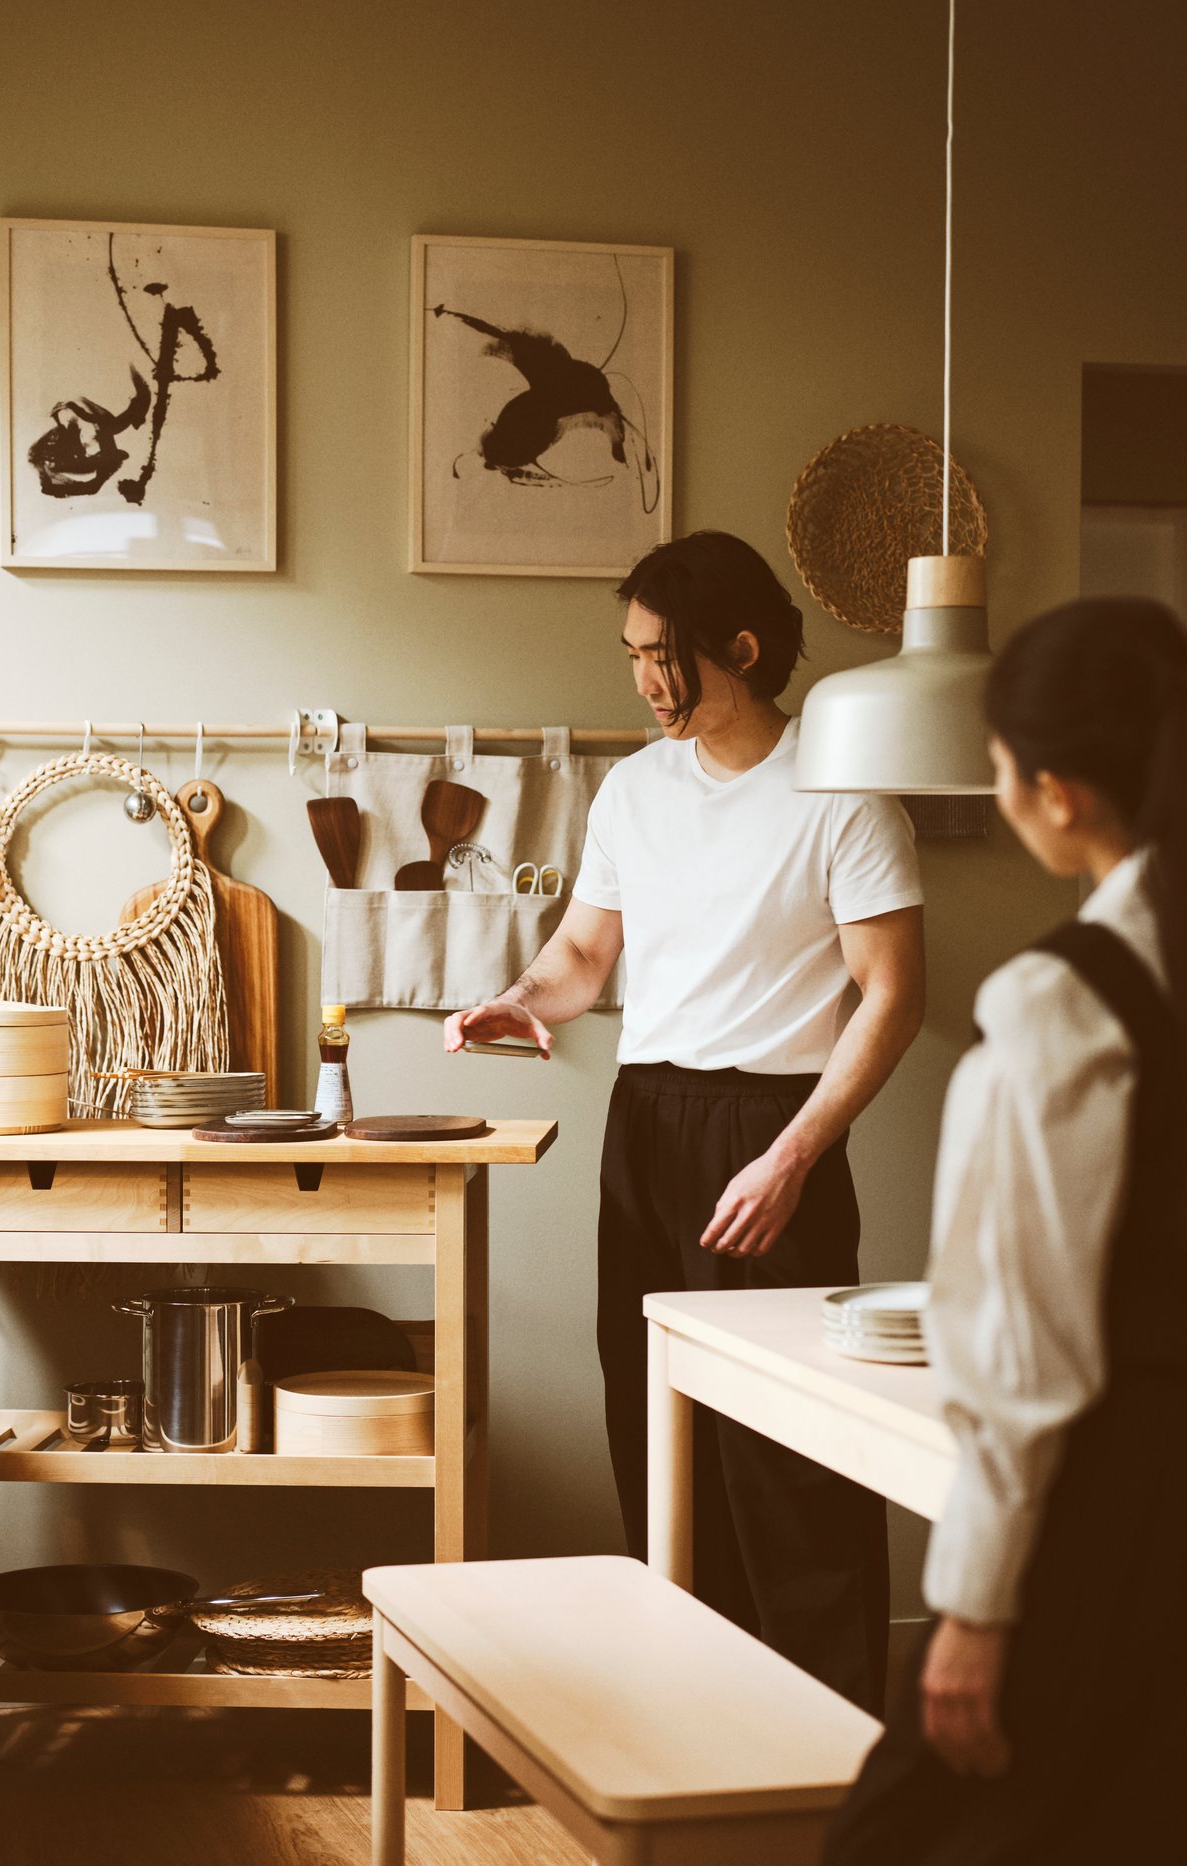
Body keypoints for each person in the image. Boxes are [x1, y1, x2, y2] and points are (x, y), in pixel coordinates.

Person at [445, 530, 925, 1714]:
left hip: (774, 1130)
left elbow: (894, 995)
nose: (648, 681)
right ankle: (700, 1706)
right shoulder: (633, 787)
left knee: (789, 1449)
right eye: (632, 655)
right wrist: (514, 1002)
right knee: (652, 1417)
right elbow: (583, 954)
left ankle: (833, 1730)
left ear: (742, 651)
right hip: (646, 1121)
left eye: (667, 656)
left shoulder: (841, 784)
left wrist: (794, 1155)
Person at [824, 597, 1187, 1862]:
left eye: (994, 759)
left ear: (1059, 791)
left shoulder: (1058, 1006)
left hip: (1117, 1524)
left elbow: (1025, 1356)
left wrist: (970, 1613)